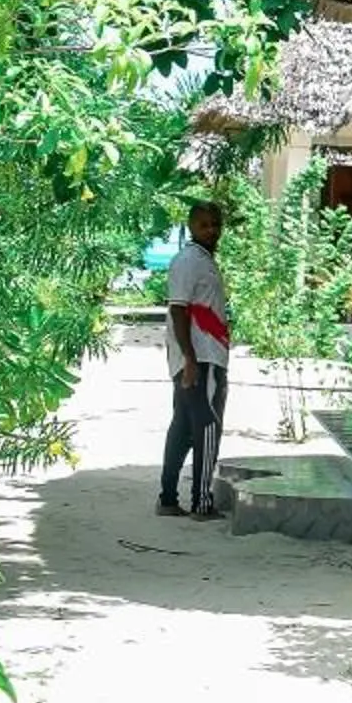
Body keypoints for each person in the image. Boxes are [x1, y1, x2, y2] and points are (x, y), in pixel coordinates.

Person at [158, 201, 232, 517]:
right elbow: (178, 309)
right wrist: (189, 358)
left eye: (216, 224)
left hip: (201, 355)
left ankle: (168, 499)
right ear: (192, 226)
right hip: (202, 358)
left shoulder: (202, 260)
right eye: (205, 224)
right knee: (206, 427)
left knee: (183, 427)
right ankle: (202, 502)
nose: (212, 230)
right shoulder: (190, 261)